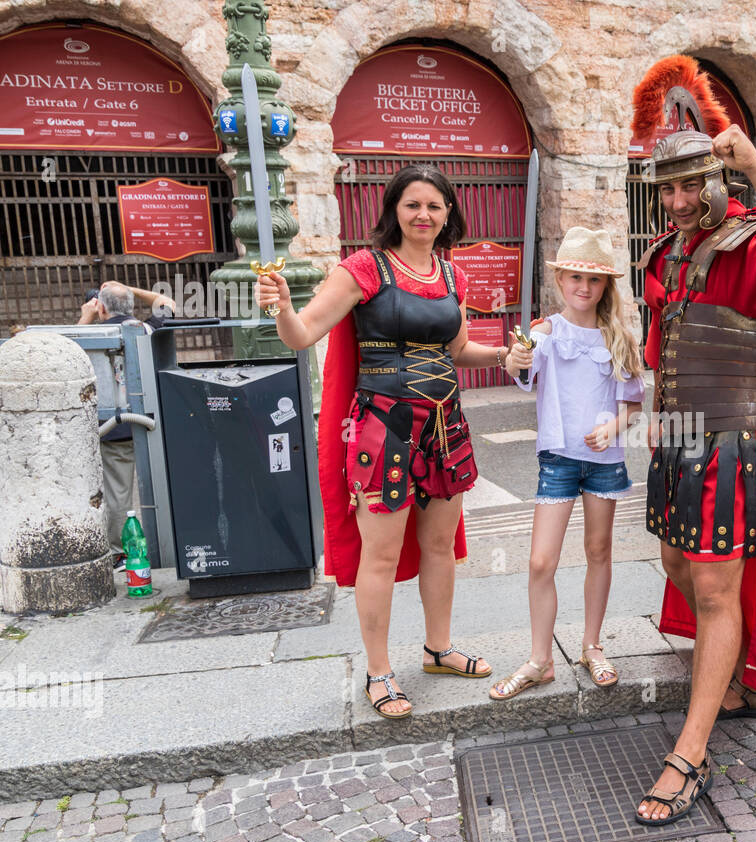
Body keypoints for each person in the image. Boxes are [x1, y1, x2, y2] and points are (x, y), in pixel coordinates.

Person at [632, 56, 756, 825]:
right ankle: (734, 674)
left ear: (719, 182)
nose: (676, 201)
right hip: (676, 441)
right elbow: (657, 354)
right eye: (666, 188)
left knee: (713, 589)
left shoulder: (748, 246)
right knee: (680, 566)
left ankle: (692, 748)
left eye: (689, 184)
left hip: (731, 445)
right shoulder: (661, 257)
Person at [255, 164, 501, 719]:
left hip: (444, 423)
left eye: (435, 206)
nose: (424, 215)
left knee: (440, 546)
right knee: (382, 554)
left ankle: (438, 649)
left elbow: (458, 349)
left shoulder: (451, 274)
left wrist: (506, 355)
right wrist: (282, 308)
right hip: (382, 429)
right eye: (413, 205)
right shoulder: (363, 268)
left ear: (448, 215)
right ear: (393, 210)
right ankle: (379, 671)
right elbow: (303, 334)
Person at [492, 227, 644, 700]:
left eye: (593, 279)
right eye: (575, 276)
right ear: (560, 281)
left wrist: (611, 429)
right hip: (557, 459)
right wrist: (515, 355)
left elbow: (633, 405)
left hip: (603, 462)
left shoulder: (619, 337)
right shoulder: (545, 333)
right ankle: (540, 659)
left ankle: (592, 645)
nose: (583, 286)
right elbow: (520, 368)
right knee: (541, 561)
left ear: (605, 287)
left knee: (599, 552)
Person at [78, 282, 175, 570]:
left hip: (112, 427)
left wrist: (87, 315)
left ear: (102, 307)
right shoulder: (144, 329)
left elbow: (64, 352)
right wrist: (128, 288)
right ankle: (166, 546)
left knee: (118, 492)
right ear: (131, 307)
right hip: (148, 421)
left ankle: (120, 553)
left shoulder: (90, 334)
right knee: (158, 484)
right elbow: (166, 301)